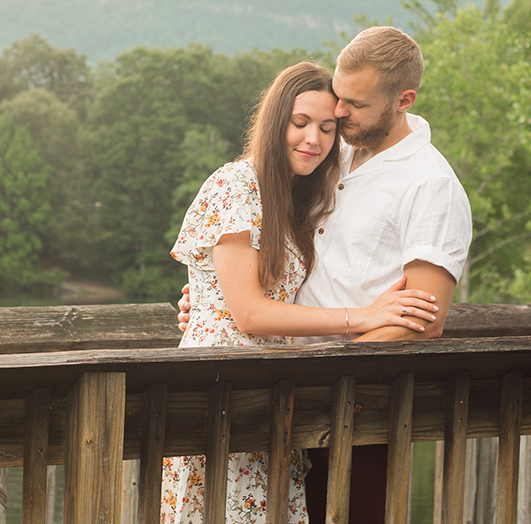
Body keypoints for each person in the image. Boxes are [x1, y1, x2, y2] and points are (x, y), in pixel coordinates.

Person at [179, 27, 474, 524]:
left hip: (351, 407)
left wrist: (323, 384)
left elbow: (422, 319)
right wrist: (212, 301)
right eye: (338, 97)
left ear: (404, 100)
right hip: (271, 399)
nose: (337, 115)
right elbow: (249, 255)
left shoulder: (431, 186)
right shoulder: (330, 156)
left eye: (353, 105)